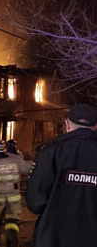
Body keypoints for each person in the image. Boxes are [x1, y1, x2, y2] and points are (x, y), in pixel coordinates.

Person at [25, 104, 97, 247]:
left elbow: (35, 203)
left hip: (53, 238)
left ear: (67, 125)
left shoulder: (50, 152)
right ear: (96, 126)